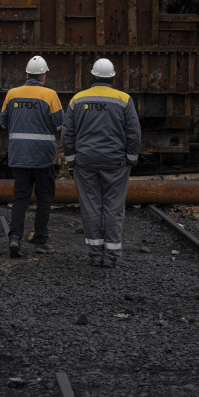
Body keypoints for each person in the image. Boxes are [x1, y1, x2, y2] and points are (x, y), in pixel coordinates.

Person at [62, 58, 141, 267]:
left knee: (90, 208)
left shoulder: (77, 99)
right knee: (114, 207)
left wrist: (71, 159)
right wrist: (131, 158)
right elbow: (133, 133)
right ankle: (112, 256)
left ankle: (95, 255)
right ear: (113, 78)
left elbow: (67, 133)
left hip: (85, 163)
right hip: (116, 163)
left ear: (92, 76)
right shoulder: (124, 99)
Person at [0, 55, 63, 258]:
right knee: (44, 198)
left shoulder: (12, 94)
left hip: (19, 155)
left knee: (20, 197)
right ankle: (40, 241)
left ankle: (15, 238)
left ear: (26, 74)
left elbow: (3, 121)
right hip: (44, 157)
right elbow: (59, 124)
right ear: (43, 76)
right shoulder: (50, 95)